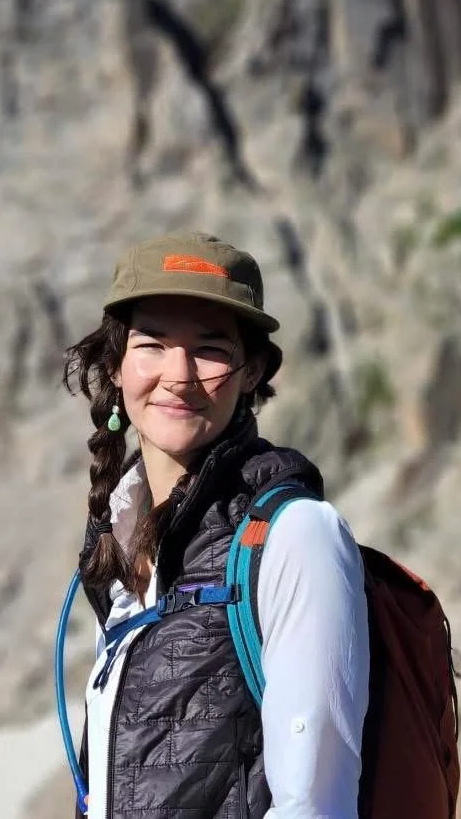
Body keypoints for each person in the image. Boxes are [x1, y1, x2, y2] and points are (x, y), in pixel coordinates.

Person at [63, 231, 370, 818]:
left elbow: (314, 805)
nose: (178, 375)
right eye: (151, 344)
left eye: (211, 349)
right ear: (116, 366)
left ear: (252, 371)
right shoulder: (118, 540)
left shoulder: (295, 536)